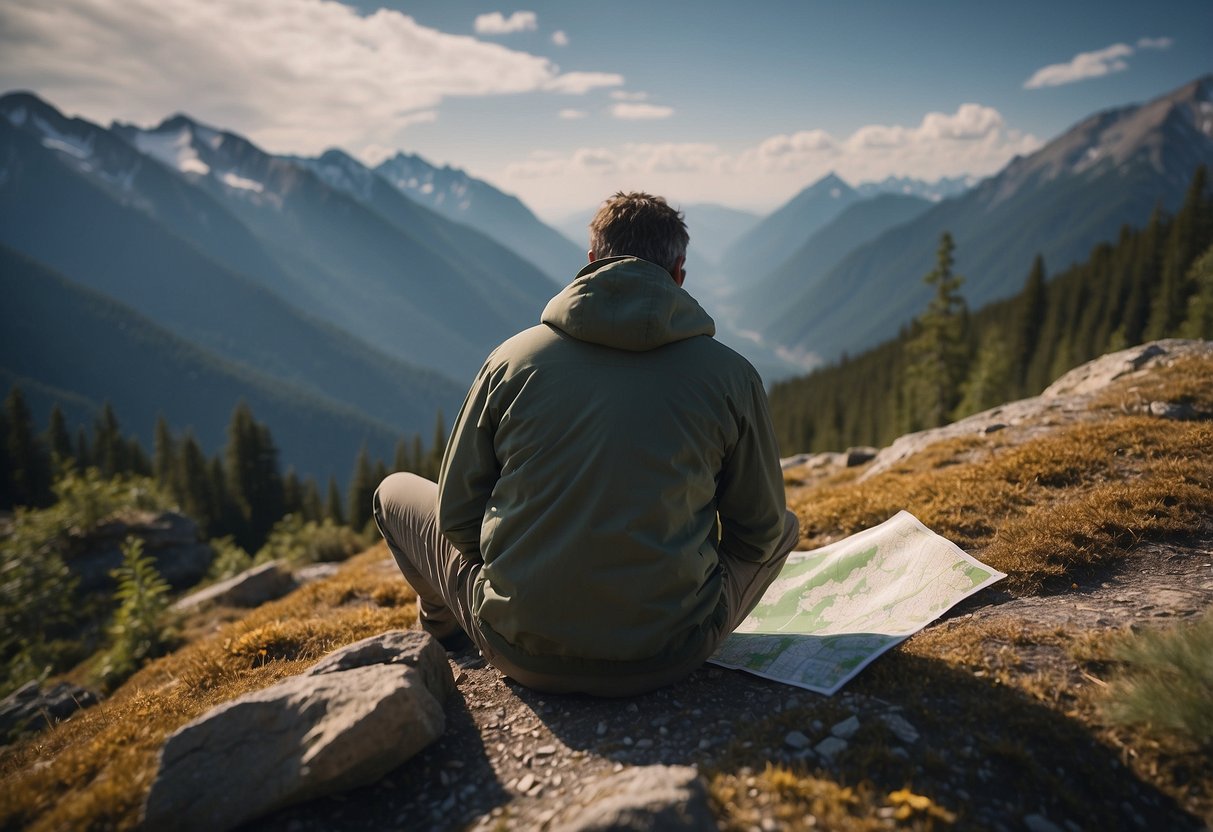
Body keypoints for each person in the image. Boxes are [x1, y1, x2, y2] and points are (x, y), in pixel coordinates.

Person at [374, 191, 799, 696]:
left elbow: (458, 518)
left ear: (593, 261)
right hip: (670, 654)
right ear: (679, 273)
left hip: (516, 647)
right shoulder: (731, 376)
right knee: (787, 527)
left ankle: (442, 628)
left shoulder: (512, 361)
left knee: (392, 490)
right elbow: (760, 533)